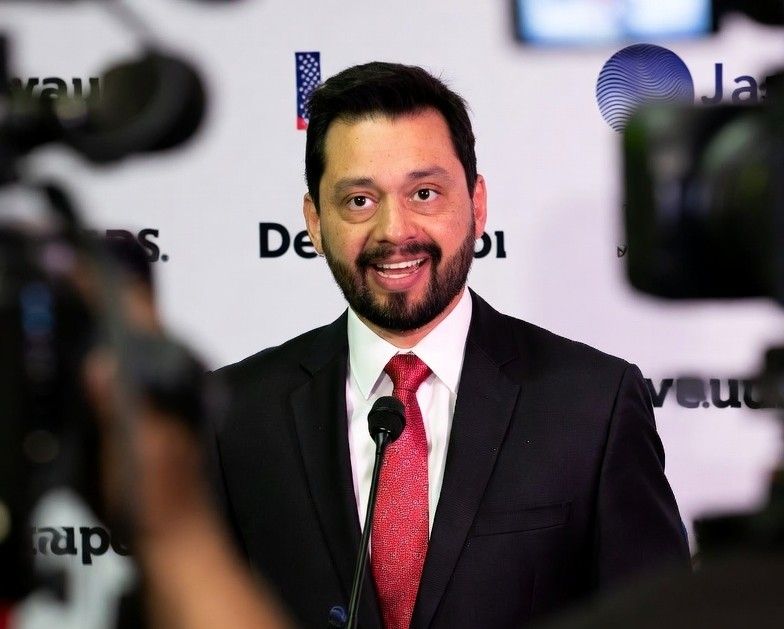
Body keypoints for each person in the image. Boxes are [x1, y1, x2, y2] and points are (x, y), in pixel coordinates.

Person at [208, 61, 690, 628]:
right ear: (313, 222)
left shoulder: (593, 404)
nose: (396, 230)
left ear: (477, 203)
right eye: (359, 200)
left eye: (425, 192)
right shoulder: (233, 413)